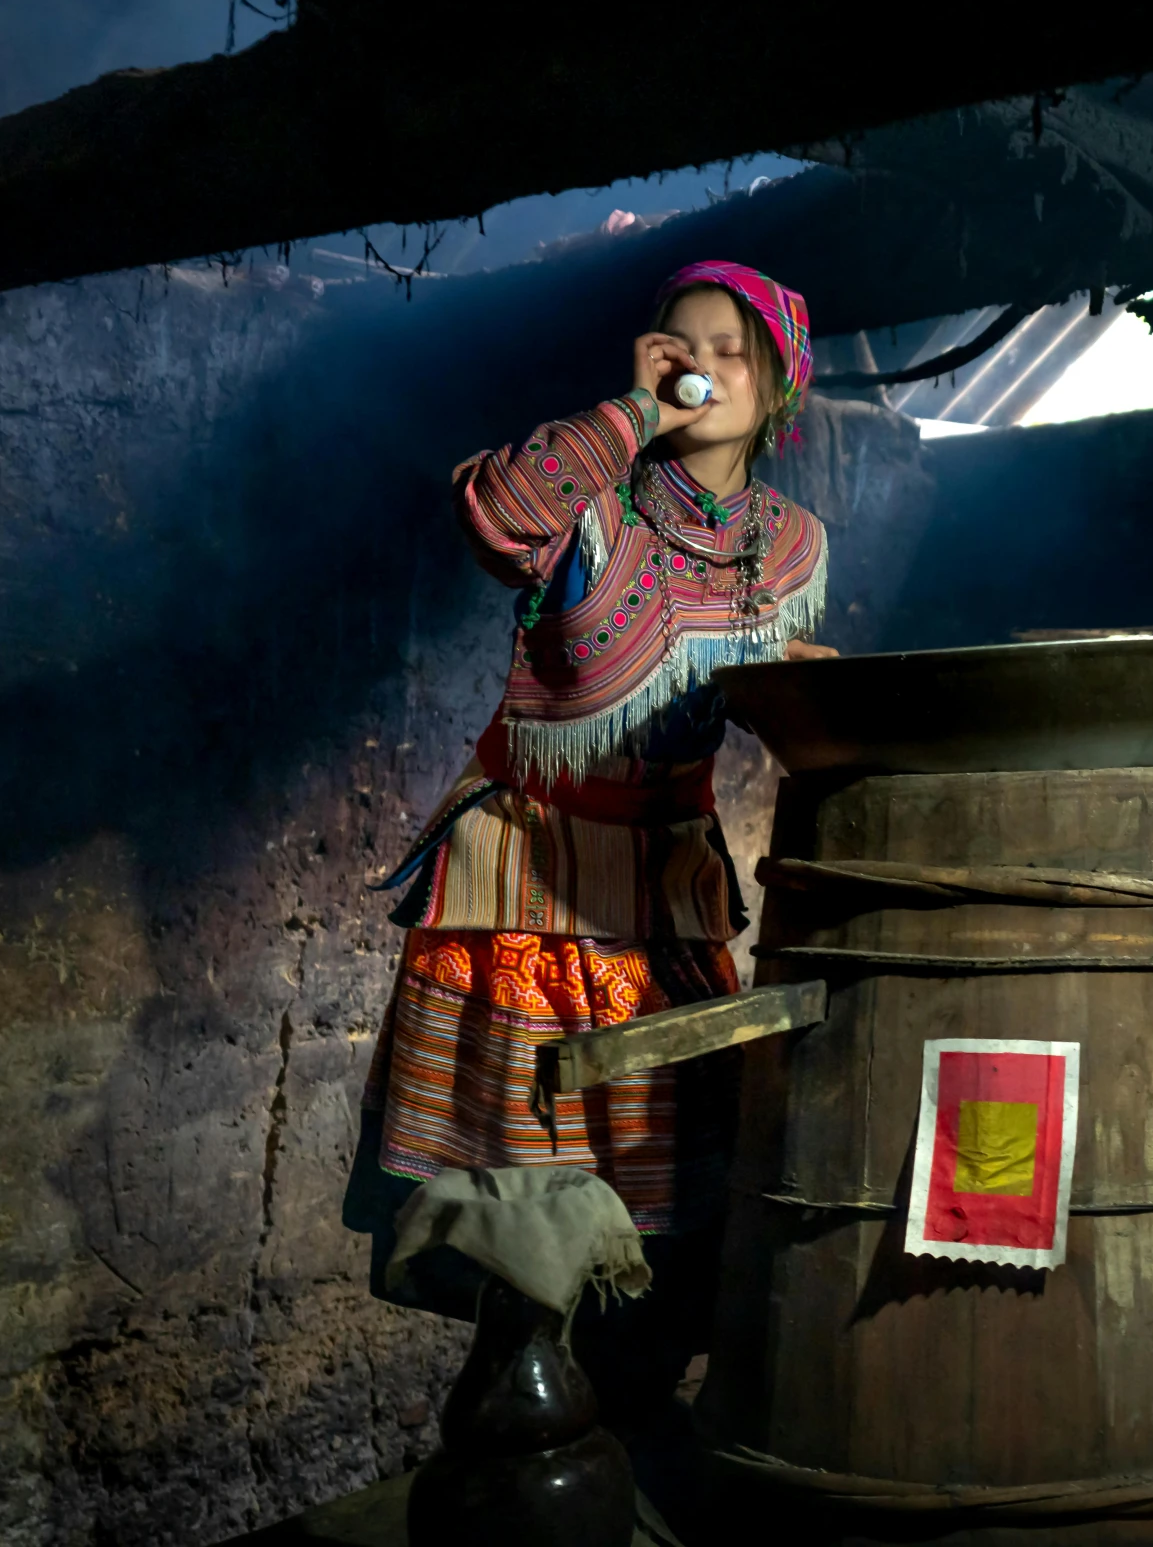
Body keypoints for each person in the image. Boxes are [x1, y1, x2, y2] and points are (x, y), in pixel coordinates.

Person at [344, 261, 835, 1435]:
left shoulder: (796, 543)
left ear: (777, 391)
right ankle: (521, 1472)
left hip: (666, 912)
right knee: (528, 1249)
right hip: (527, 903)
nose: (701, 362)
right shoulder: (590, 503)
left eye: (731, 346)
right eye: (679, 341)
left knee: (676, 1232)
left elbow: (753, 698)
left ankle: (617, 1456)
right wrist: (628, 416)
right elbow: (494, 513)